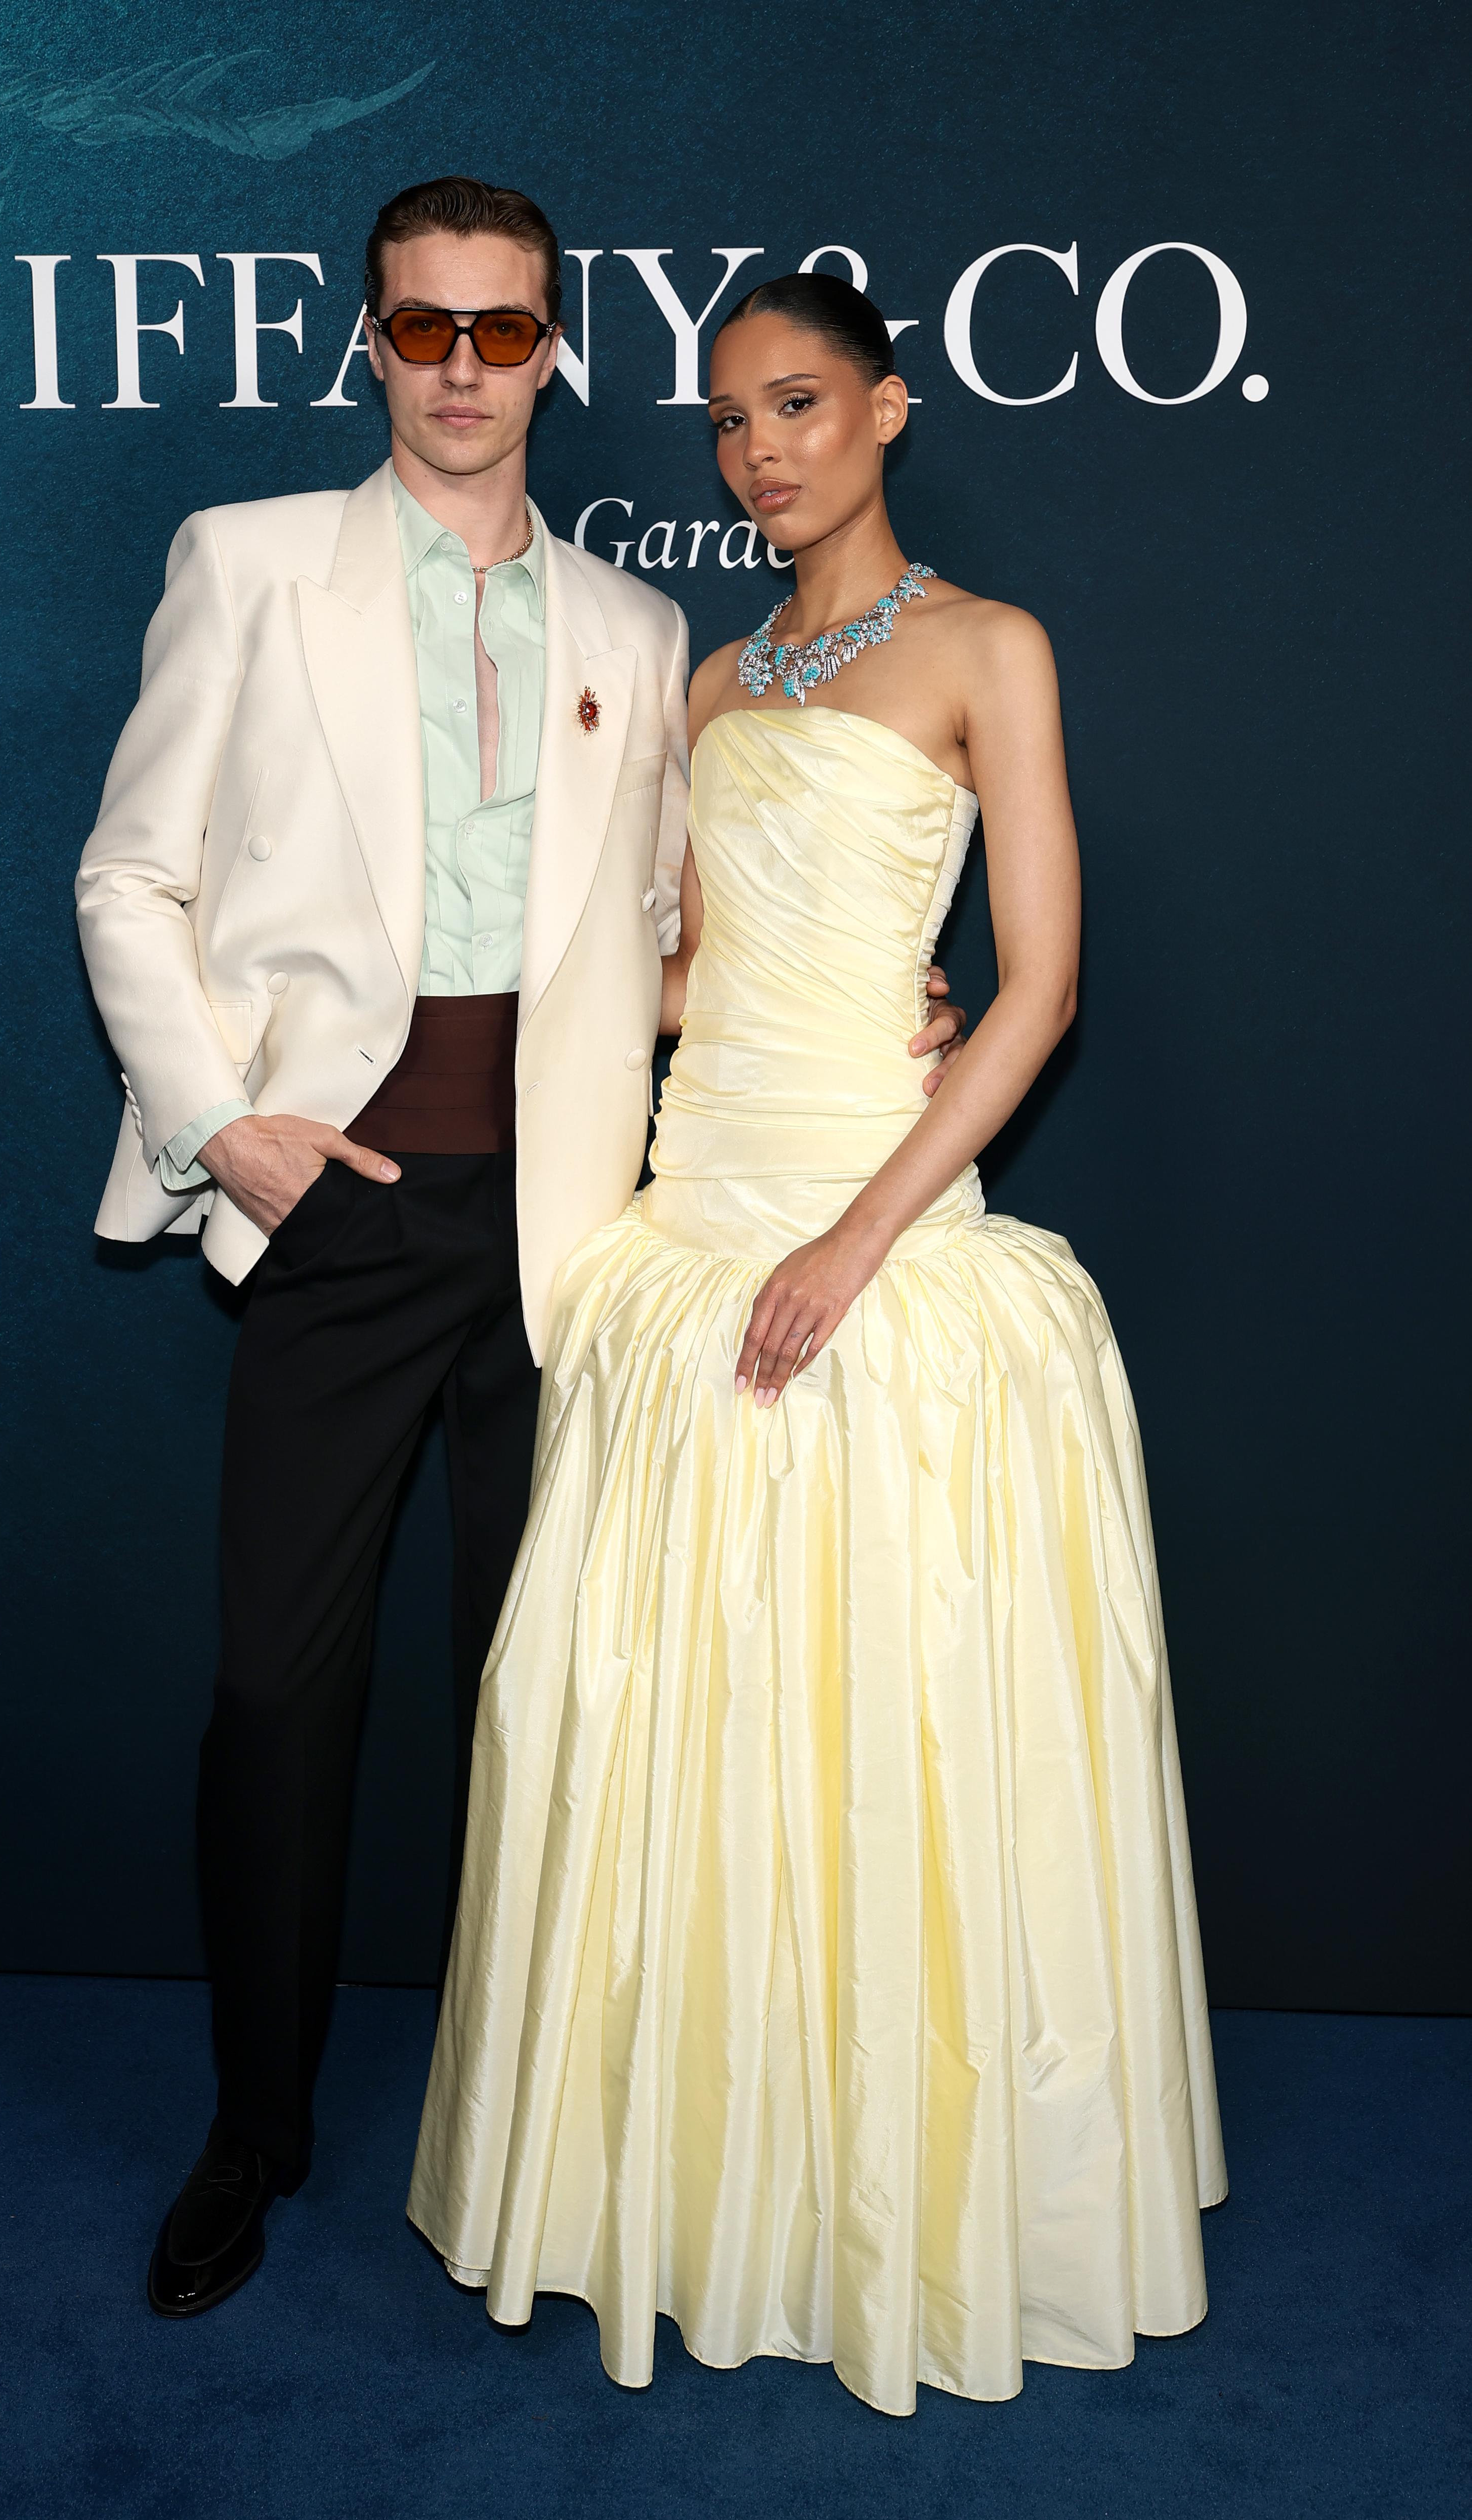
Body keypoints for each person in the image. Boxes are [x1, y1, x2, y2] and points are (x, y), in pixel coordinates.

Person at [77, 189, 969, 2321]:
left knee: (556, 1685)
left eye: (502, 332)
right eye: (425, 329)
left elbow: (675, 935)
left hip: (582, 1236)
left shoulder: (639, 632)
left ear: (553, 349)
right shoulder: (246, 562)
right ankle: (258, 2125)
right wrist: (222, 1129)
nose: (463, 369)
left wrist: (883, 998)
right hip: (339, 1204)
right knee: (277, 1689)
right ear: (371, 344)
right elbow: (129, 877)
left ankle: (549, 2122)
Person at [408, 271, 1228, 2417]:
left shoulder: (988, 648)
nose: (756, 449)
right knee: (669, 1715)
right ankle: (693, 2174)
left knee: (889, 1709)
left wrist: (863, 1233)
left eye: (794, 405)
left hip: (868, 1216)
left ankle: (906, 2183)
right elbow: (689, 975)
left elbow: (1038, 985)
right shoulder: (712, 672)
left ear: (887, 408)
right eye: (725, 420)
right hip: (690, 1213)